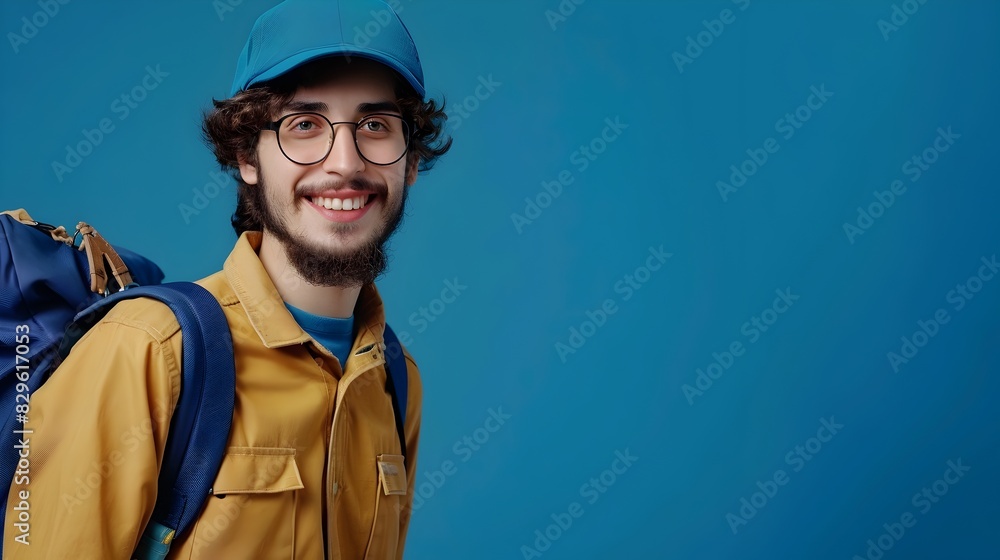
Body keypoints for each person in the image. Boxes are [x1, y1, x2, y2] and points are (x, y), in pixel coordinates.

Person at [3, 0, 450, 558]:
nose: (344, 162)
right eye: (304, 125)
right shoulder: (144, 349)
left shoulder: (396, 379)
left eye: (376, 125)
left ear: (409, 160)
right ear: (246, 154)